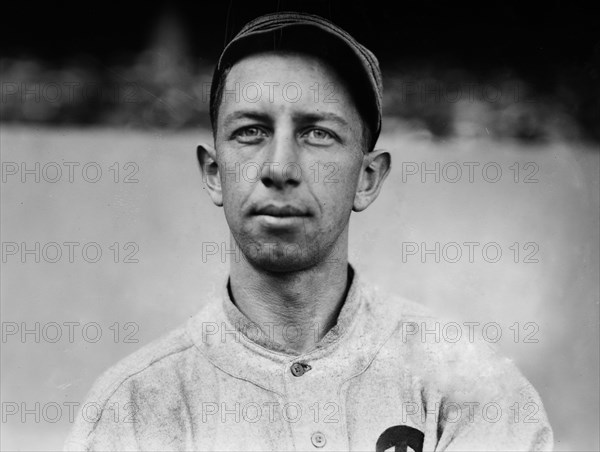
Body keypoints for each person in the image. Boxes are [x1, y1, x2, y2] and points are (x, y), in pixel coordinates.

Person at [65, 11, 553, 451]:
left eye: (318, 133)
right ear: (214, 172)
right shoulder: (133, 409)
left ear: (367, 179)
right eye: (250, 131)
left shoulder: (471, 389)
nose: (279, 167)